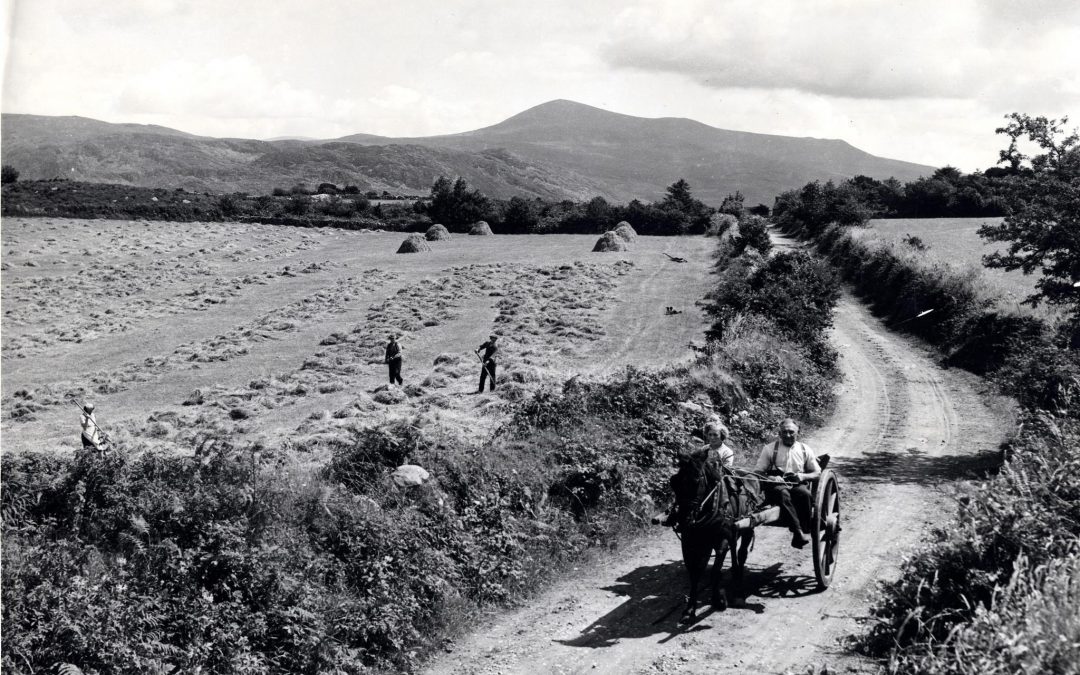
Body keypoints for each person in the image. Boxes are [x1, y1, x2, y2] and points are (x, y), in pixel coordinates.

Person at [754, 418, 821, 548]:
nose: (788, 435)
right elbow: (757, 472)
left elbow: (817, 473)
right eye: (784, 432)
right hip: (775, 485)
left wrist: (801, 476)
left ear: (798, 433)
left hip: (797, 483)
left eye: (791, 432)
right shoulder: (769, 449)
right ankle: (797, 532)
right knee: (782, 493)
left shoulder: (804, 449)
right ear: (779, 433)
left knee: (805, 494)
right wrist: (772, 479)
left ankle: (805, 529)